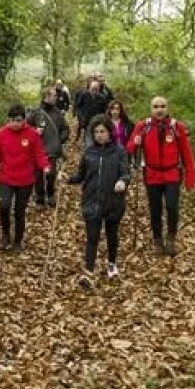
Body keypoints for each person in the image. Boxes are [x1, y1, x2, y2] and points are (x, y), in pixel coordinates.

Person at [126, 96, 195, 256]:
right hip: (152, 174)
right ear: (151, 109)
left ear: (167, 108)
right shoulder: (142, 126)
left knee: (172, 207)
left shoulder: (176, 127)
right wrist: (135, 143)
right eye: (156, 106)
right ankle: (157, 240)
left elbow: (187, 154)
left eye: (162, 106)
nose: (159, 110)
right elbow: (129, 149)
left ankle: (171, 238)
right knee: (155, 209)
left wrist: (190, 177)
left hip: (172, 173)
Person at [67, 114, 130, 288]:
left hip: (113, 200)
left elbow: (125, 172)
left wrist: (122, 182)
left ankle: (111, 263)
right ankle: (88, 271)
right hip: (91, 200)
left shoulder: (119, 151)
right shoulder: (89, 152)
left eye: (103, 131)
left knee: (111, 234)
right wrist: (68, 178)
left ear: (110, 132)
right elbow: (81, 175)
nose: (100, 135)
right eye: (96, 132)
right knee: (92, 237)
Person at [0, 103, 52, 252]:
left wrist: (45, 166)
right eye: (12, 120)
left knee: (19, 210)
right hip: (6, 178)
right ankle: (5, 235)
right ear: (8, 119)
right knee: (4, 206)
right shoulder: (1, 133)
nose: (15, 123)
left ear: (24, 120)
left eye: (18, 120)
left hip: (25, 179)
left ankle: (18, 240)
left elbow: (39, 153)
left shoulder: (32, 134)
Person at [28, 88, 68, 210]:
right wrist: (34, 131)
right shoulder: (36, 113)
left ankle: (50, 194)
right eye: (54, 96)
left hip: (52, 150)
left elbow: (65, 129)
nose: (56, 97)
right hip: (37, 150)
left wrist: (60, 140)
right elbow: (26, 128)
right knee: (38, 176)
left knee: (51, 174)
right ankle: (40, 199)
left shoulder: (58, 113)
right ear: (46, 96)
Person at [74, 77, 113, 146]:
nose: (94, 90)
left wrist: (104, 121)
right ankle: (89, 154)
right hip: (87, 123)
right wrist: (81, 118)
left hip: (98, 124)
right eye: (93, 88)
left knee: (97, 142)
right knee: (88, 142)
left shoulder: (102, 98)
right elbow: (78, 107)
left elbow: (105, 112)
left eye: (96, 89)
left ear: (98, 89)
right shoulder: (84, 95)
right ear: (90, 88)